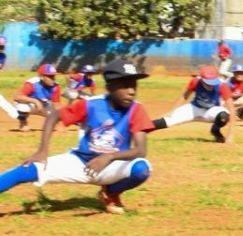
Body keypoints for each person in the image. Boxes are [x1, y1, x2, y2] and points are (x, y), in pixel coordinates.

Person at [0, 59, 154, 214]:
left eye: (133, 85)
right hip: (81, 163)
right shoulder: (92, 104)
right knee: (25, 170)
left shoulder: (137, 109)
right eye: (125, 85)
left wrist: (109, 157)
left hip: (112, 167)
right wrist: (42, 150)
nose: (131, 91)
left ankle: (110, 193)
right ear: (110, 87)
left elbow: (140, 150)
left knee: (141, 168)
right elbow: (54, 115)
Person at [151, 65, 235, 143]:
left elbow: (231, 109)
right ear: (202, 79)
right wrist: (172, 111)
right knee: (170, 120)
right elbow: (184, 96)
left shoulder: (222, 85)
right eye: (208, 83)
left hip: (212, 111)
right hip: (194, 108)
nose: (211, 85)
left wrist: (230, 135)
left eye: (213, 82)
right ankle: (143, 128)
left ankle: (215, 130)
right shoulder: (196, 81)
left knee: (224, 116)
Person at [3, 64, 63, 132]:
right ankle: (23, 123)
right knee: (22, 106)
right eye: (50, 76)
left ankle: (55, 123)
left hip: (44, 106)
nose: (53, 79)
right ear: (41, 77)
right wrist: (35, 101)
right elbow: (17, 97)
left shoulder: (56, 86)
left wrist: (60, 122)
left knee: (57, 110)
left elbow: (57, 105)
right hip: (30, 106)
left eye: (54, 76)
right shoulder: (32, 83)